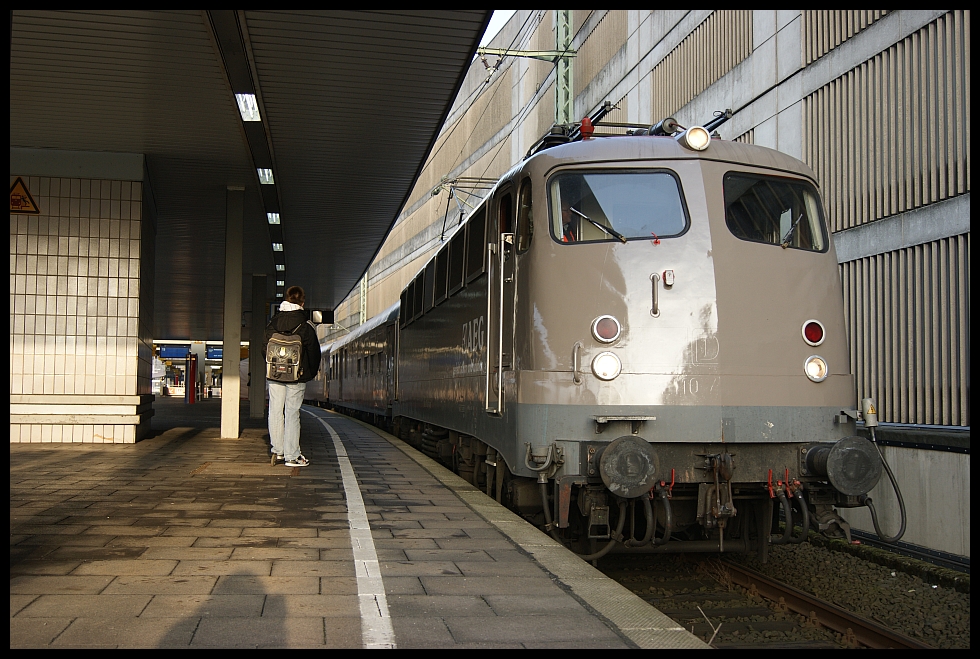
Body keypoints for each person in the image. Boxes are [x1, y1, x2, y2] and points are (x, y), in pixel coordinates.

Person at [264, 285, 320, 467]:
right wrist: (308, 374)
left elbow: (263, 348)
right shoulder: (306, 326)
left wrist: (272, 368)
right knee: (292, 413)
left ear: (286, 300)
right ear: (302, 303)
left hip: (275, 376)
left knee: (275, 411)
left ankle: (277, 451)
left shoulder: (273, 323)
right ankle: (292, 455)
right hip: (297, 377)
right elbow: (314, 353)